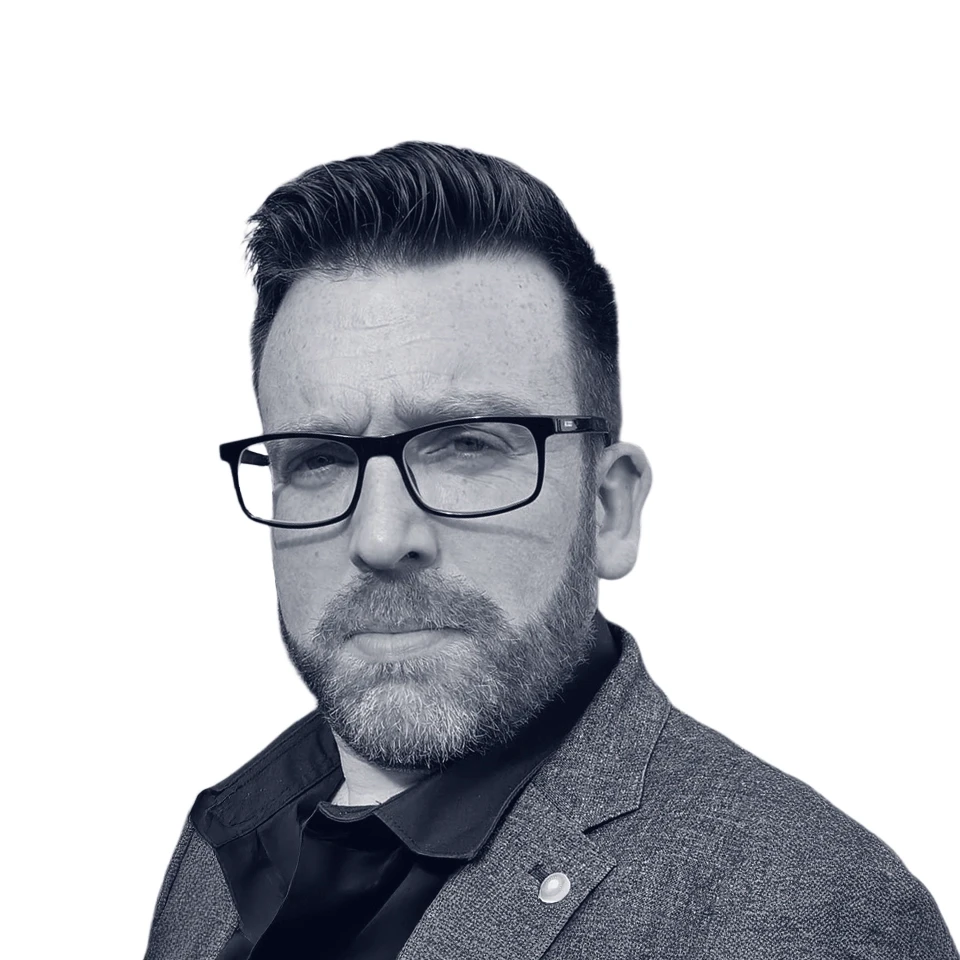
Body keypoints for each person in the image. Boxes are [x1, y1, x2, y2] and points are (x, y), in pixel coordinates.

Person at [143, 142, 957, 960]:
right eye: (319, 460)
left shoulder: (810, 917)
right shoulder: (226, 846)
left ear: (609, 509)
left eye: (466, 446)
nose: (382, 538)